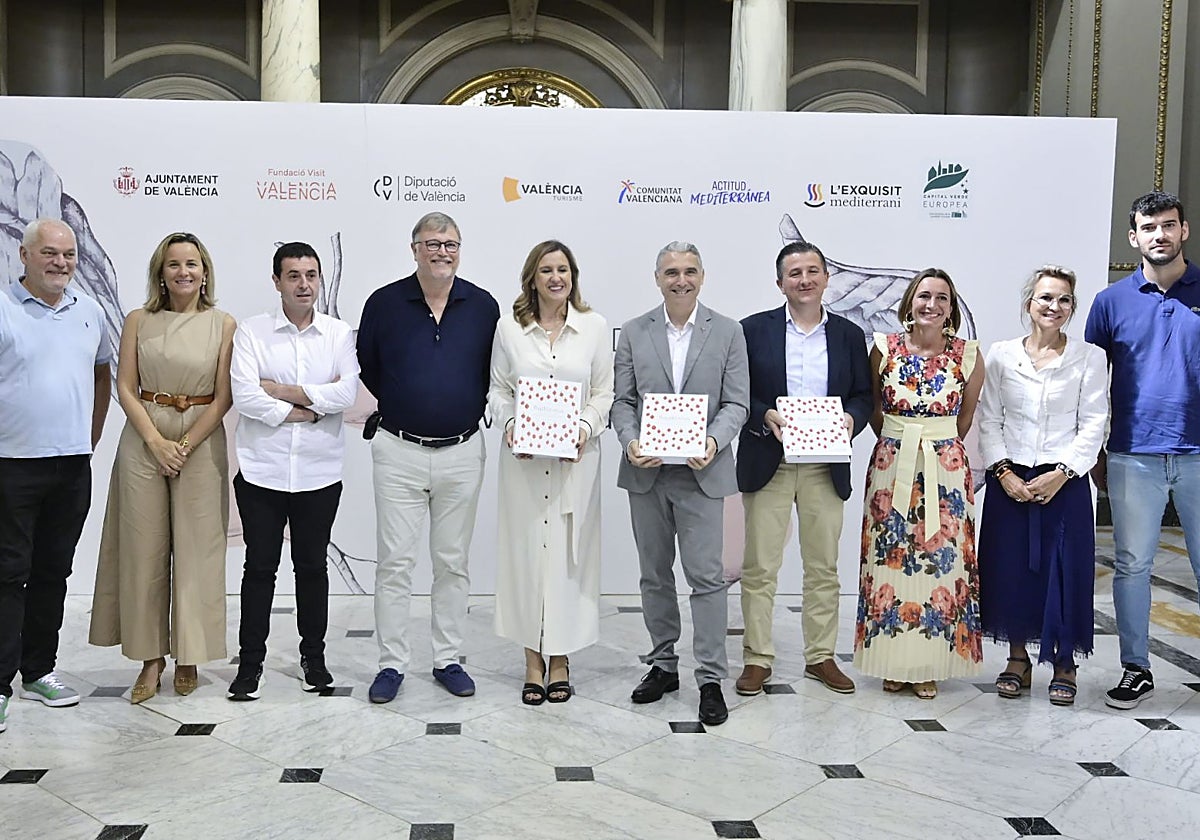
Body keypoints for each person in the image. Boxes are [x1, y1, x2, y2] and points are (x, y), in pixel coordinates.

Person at [357, 212, 500, 703]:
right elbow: (370, 367)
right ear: (413, 247)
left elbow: (492, 374)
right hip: (398, 451)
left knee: (452, 563)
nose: (443, 251)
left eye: (451, 243)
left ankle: (448, 658)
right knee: (394, 564)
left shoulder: (484, 306)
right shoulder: (384, 303)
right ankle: (392, 664)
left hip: (462, 452)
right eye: (432, 243)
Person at [89, 232, 236, 703]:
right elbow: (126, 387)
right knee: (141, 550)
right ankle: (151, 659)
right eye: (174, 265)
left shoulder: (223, 324)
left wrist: (186, 443)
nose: (184, 272)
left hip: (201, 438)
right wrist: (156, 441)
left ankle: (188, 655)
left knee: (197, 551)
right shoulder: (138, 320)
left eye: (192, 263)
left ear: (205, 271)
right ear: (161, 273)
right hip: (143, 439)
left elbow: (223, 395)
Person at [612, 241, 749, 726]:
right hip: (646, 473)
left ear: (703, 276)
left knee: (707, 579)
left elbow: (737, 403)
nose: (681, 279)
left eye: (690, 271)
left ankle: (710, 678)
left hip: (702, 473)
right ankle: (663, 665)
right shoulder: (632, 331)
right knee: (654, 575)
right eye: (671, 271)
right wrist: (629, 440)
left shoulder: (728, 332)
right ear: (657, 278)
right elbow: (622, 402)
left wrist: (712, 441)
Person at [736, 241, 872, 697]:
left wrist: (852, 419)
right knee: (759, 568)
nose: (805, 279)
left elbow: (862, 396)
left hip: (824, 466)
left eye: (813, 271)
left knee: (823, 567)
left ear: (827, 278)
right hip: (768, 463)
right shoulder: (752, 330)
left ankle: (821, 656)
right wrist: (763, 415)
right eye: (794, 273)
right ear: (780, 283)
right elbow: (737, 392)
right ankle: (757, 658)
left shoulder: (851, 335)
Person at [226, 242, 360, 700]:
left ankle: (314, 660)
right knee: (258, 570)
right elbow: (245, 396)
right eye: (294, 275)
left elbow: (346, 396)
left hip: (319, 474)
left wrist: (282, 391)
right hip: (261, 473)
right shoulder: (252, 332)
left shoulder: (339, 335)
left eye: (311, 275)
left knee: (312, 569)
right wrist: (304, 408)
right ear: (277, 281)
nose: (304, 284)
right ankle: (250, 665)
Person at [1086, 191, 1200, 710]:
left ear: (1184, 231)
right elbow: (1087, 383)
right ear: (1133, 237)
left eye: (1169, 225)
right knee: (1133, 564)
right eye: (1149, 227)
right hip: (1133, 453)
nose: (1160, 235)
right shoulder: (1110, 302)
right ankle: (1137, 669)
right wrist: (1093, 451)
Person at [488, 240, 613, 704]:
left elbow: (604, 393)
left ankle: (560, 657)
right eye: (546, 270)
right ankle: (532, 661)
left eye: (563, 269)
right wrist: (513, 424)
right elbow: (498, 391)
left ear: (573, 276)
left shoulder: (595, 328)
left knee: (568, 559)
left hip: (575, 465)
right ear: (532, 278)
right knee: (525, 559)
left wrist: (583, 427)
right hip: (523, 465)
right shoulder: (510, 329)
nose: (555, 277)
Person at [977, 266, 1108, 706]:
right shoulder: (1000, 354)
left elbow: (1093, 424)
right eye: (1045, 298)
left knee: (1065, 573)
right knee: (1011, 570)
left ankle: (1065, 662)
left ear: (1072, 307)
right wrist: (1003, 473)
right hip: (1009, 481)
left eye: (1064, 300)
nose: (1054, 307)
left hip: (1064, 482)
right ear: (1028, 303)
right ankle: (1017, 659)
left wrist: (1063, 473)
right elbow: (989, 419)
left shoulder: (1089, 357)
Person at [852, 268, 985, 699]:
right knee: (889, 562)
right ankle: (893, 661)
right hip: (892, 467)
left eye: (942, 298)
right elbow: (874, 406)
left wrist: (935, 442)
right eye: (924, 296)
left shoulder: (968, 355)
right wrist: (898, 440)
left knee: (941, 567)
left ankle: (927, 664)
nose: (932, 304)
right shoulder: (883, 347)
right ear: (908, 303)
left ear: (952, 307)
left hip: (945, 470)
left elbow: (964, 419)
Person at [0, 219, 111, 731]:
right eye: (48, 253)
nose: (60, 263)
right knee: (7, 575)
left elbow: (101, 374)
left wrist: (86, 440)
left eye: (68, 255)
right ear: (23, 255)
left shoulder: (88, 312)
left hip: (71, 466)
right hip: (11, 464)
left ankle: (38, 671)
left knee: (53, 572)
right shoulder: (3, 308)